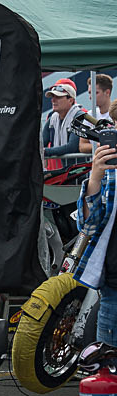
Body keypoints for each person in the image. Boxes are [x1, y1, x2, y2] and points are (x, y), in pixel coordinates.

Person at [74, 141, 117, 348]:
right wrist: (95, 178)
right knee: (108, 372)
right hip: (112, 288)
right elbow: (88, 227)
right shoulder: (111, 173)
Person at [42, 78, 83, 169]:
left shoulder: (79, 116)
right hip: (65, 170)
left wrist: (45, 151)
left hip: (80, 172)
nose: (53, 100)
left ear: (71, 100)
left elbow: (72, 147)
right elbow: (41, 142)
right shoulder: (52, 118)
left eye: (58, 97)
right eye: (52, 97)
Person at [79, 74, 114, 153]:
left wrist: (96, 145)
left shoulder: (115, 114)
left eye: (95, 93)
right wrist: (103, 145)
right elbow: (82, 146)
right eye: (89, 93)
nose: (91, 97)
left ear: (107, 92)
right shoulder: (90, 115)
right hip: (96, 163)